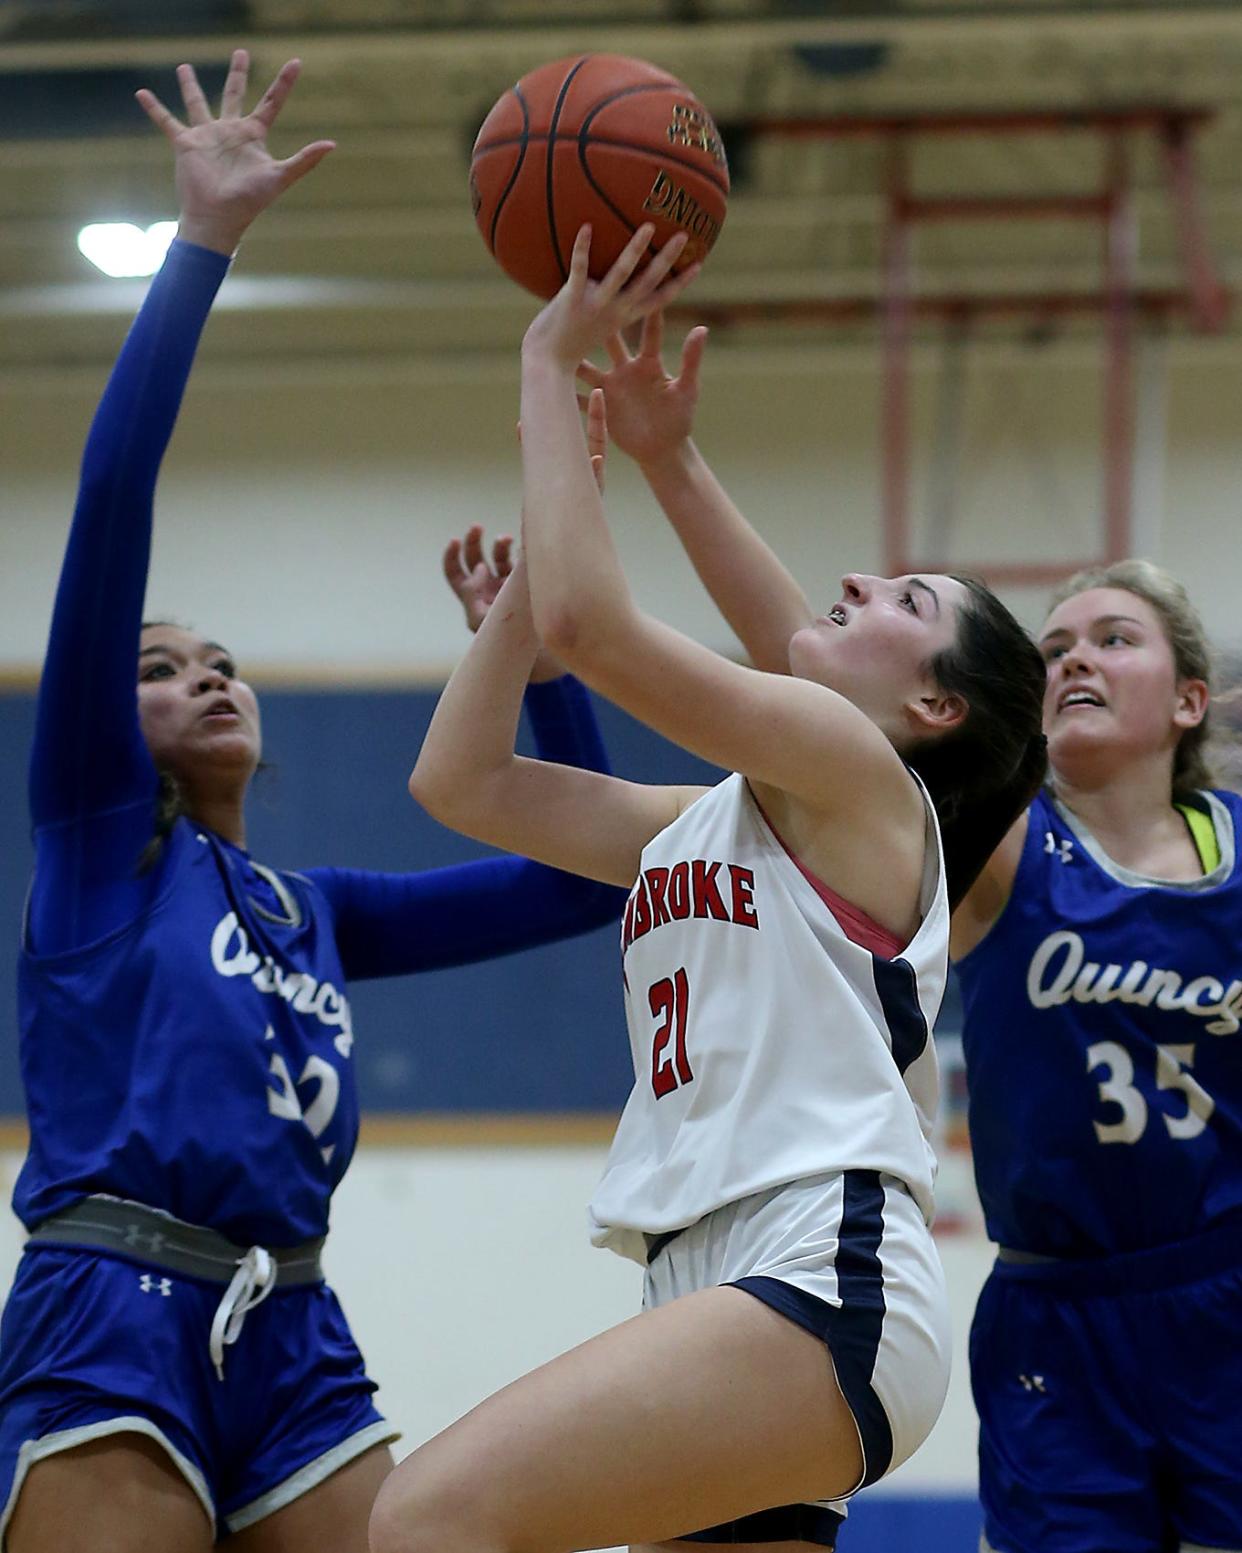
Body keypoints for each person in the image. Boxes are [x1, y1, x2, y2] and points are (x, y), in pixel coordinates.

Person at [0, 54, 625, 1553]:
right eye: (162, 667)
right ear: (111, 713)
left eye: (222, 661)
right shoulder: (94, 846)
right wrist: (202, 247)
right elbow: (112, 500)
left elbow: (591, 877)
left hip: (294, 1322)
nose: (206, 675)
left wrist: (531, 655)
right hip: (113, 1305)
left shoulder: (311, 911)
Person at [375, 224, 1047, 1553]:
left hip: (819, 1265)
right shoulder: (707, 823)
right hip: (707, 1272)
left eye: (903, 595)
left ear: (930, 701)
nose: (859, 580)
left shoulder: (862, 778)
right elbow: (461, 782)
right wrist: (539, 557)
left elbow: (593, 628)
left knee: (426, 1520)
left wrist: (545, 362)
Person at [578, 317, 1242, 1551]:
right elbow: (820, 675)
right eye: (1052, 647)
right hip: (1062, 1306)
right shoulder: (996, 847)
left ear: (1188, 699)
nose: (1073, 660)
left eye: (1113, 638)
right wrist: (673, 465)